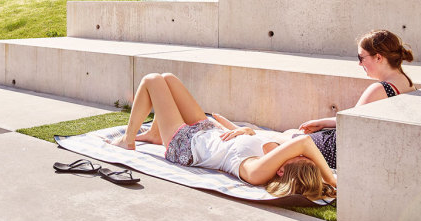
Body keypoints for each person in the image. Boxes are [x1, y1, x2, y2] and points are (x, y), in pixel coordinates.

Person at [108, 72, 336, 200]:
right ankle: (155, 133)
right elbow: (257, 143)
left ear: (281, 171)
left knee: (151, 80)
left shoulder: (256, 173)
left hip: (186, 144)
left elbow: (304, 142)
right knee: (168, 78)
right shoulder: (273, 158)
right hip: (207, 131)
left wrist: (333, 181)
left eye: (300, 158)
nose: (301, 154)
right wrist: (246, 131)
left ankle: (128, 140)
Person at [297, 29, 414, 169]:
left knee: (288, 140)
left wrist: (322, 123)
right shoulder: (407, 82)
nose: (359, 64)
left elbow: (349, 124)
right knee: (292, 135)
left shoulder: (379, 89)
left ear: (378, 58)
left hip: (342, 152)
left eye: (361, 58)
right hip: (370, 148)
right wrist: (322, 123)